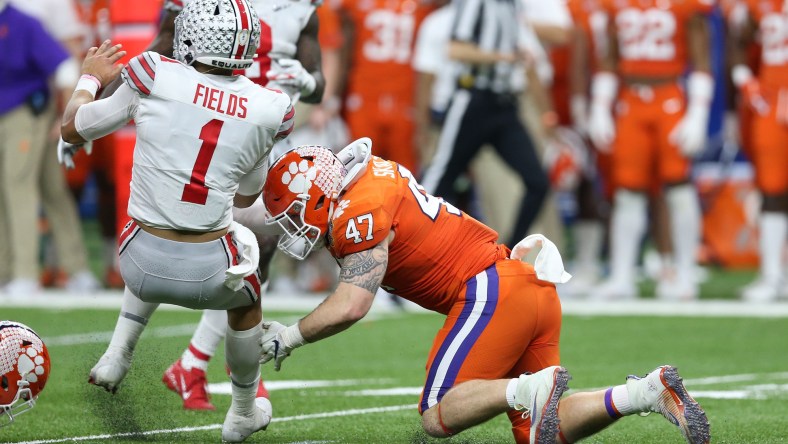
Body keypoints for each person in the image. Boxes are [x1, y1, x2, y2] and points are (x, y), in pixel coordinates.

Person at [256, 142, 711, 444]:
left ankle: (528, 387)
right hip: (528, 288)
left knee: (436, 416)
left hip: (490, 288)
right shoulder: (370, 178)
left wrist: (291, 335)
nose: (292, 226)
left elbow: (352, 304)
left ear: (319, 195)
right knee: (537, 433)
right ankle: (645, 393)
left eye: (294, 211)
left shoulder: (358, 210)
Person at [60, 0, 295, 440]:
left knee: (156, 212)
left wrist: (91, 77)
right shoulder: (270, 107)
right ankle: (242, 412)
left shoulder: (154, 73)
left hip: (136, 260)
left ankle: (118, 355)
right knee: (247, 293)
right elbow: (247, 195)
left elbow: (72, 128)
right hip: (210, 275)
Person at [147, 0, 327, 411]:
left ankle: (192, 365)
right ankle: (140, 356)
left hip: (268, 141)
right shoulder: (206, 6)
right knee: (178, 240)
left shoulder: (302, 9)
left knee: (251, 259)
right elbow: (160, 52)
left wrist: (307, 79)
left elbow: (319, 86)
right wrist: (97, 103)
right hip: (208, 136)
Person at [588, 0, 715, 300]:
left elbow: (701, 58)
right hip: (630, 100)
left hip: (669, 97)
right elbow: (609, 56)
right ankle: (622, 275)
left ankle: (684, 272)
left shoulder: (686, 6)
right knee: (627, 190)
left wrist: (698, 112)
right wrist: (600, 106)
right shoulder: (615, 5)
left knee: (678, 186)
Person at [419, 0, 549, 248]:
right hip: (471, 102)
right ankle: (402, 260)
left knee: (538, 183)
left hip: (505, 105)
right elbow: (456, 50)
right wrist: (505, 57)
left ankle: (509, 256)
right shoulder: (473, 3)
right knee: (434, 183)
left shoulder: (511, 6)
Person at [0, 1, 84, 296]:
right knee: (51, 188)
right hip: (8, 113)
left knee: (16, 187)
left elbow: (64, 64)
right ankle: (78, 270)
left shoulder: (23, 22)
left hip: (25, 114)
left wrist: (65, 112)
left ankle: (23, 273)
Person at [730, 0, 788, 302]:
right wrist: (745, 80)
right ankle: (772, 275)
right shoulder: (759, 5)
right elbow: (739, 39)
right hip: (774, 99)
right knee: (772, 188)